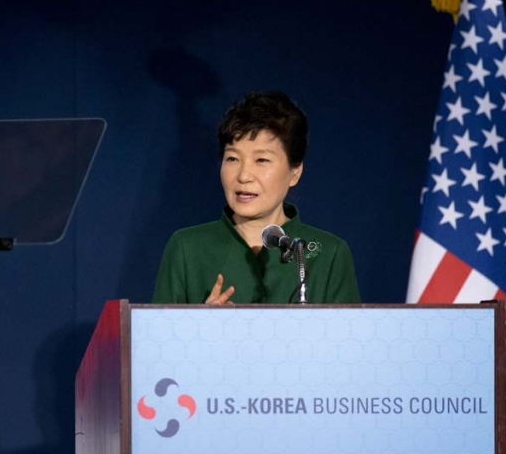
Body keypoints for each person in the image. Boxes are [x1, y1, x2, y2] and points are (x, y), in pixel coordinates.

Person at [152, 90, 360, 304]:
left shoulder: (328, 253)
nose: (243, 176)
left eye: (261, 160)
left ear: (295, 171)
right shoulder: (187, 248)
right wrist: (204, 329)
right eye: (232, 158)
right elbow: (157, 337)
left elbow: (347, 337)